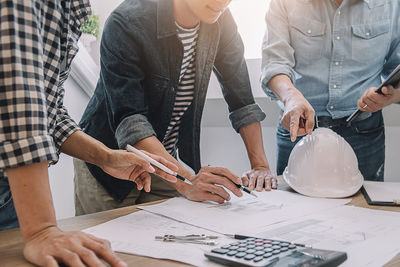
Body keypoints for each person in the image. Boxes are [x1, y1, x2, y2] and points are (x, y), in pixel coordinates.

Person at [0, 1, 179, 266]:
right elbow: (18, 100)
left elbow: (50, 113)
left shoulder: (68, 9)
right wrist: (42, 229)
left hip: (10, 190)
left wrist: (106, 157)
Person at [75, 0, 277, 215]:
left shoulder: (220, 19)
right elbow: (131, 121)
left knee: (176, 235)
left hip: (165, 159)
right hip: (109, 160)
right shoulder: (126, 22)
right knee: (109, 244)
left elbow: (242, 100)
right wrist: (187, 181)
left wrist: (261, 168)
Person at [261, 0, 400, 181]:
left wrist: (391, 96)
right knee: (294, 207)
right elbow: (274, 62)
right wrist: (291, 97)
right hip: (300, 128)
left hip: (364, 133)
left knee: (363, 208)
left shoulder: (392, 4)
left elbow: (396, 70)